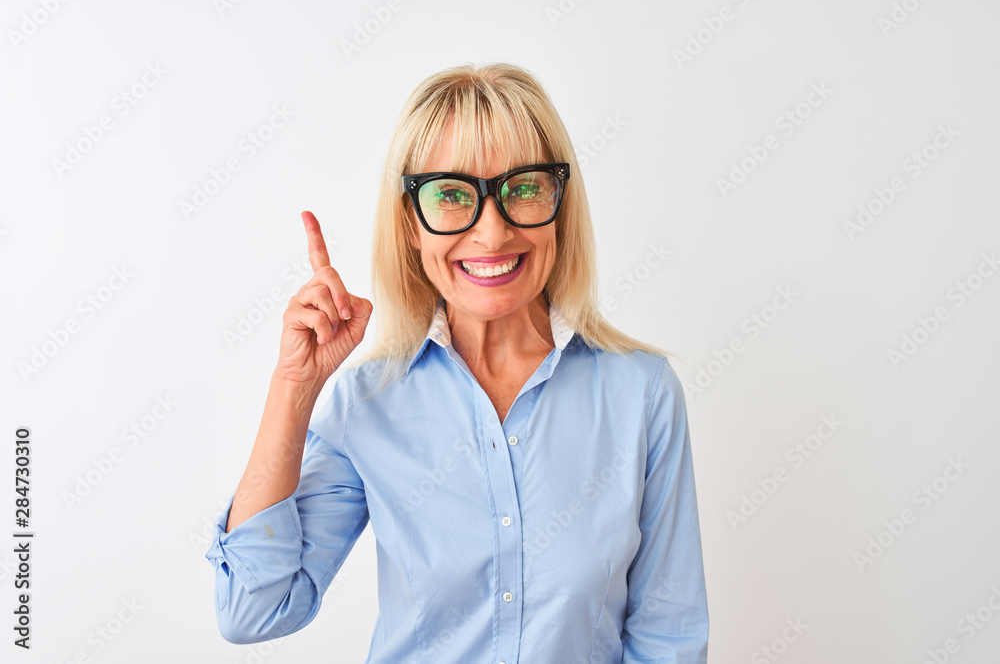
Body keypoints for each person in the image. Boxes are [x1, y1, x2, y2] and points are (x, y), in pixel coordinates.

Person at [204, 62, 709, 663]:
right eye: (451, 195)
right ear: (410, 225)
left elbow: (668, 639)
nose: (492, 234)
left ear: (560, 205)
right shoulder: (369, 403)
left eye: (523, 188)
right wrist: (294, 387)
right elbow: (252, 610)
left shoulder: (641, 395)